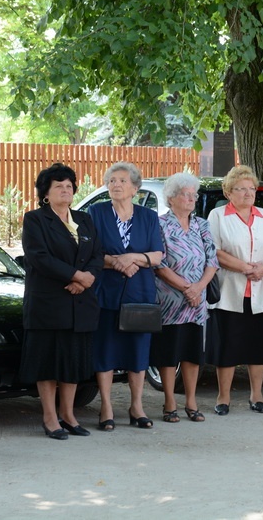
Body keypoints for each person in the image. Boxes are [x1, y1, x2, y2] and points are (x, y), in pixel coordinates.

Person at [20, 163, 103, 439]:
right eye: (59, 186)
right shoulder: (35, 220)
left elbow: (97, 254)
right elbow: (39, 257)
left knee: (72, 362)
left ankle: (68, 416)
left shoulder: (84, 219)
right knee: (48, 364)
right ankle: (49, 417)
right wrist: (76, 275)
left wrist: (86, 279)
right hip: (48, 304)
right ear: (46, 192)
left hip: (80, 303)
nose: (66, 190)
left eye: (69, 186)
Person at [90, 162, 164, 430]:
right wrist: (117, 263)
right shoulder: (96, 212)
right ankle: (106, 407)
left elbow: (157, 255)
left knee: (138, 353)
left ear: (135, 188)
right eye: (112, 180)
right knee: (105, 352)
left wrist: (133, 258)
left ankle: (137, 407)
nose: (116, 185)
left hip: (139, 295)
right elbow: (91, 253)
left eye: (122, 181)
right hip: (106, 294)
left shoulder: (148, 216)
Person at [206, 165, 263, 415]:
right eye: (241, 189)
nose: (248, 193)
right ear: (228, 192)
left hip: (260, 291)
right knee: (227, 347)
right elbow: (214, 251)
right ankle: (223, 398)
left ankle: (256, 395)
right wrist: (244, 267)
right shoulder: (218, 216)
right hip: (229, 292)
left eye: (252, 188)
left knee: (258, 346)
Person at [150, 173, 219, 423]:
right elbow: (159, 264)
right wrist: (187, 288)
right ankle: (170, 401)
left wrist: (198, 288)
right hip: (170, 300)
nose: (192, 199)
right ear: (171, 198)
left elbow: (212, 260)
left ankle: (191, 401)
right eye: (186, 194)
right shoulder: (160, 224)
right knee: (169, 353)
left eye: (194, 194)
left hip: (196, 302)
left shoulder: (202, 224)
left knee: (192, 353)